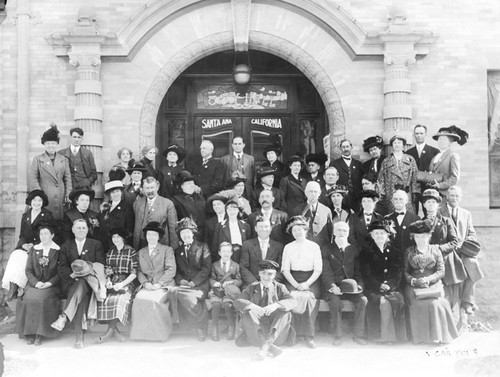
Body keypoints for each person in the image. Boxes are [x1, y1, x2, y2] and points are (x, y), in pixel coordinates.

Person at [51, 219, 105, 349]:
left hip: (91, 282)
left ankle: (65, 318)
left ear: (87, 230)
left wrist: (87, 271)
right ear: (73, 230)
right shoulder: (65, 246)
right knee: (80, 292)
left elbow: (100, 264)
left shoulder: (95, 244)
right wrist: (72, 275)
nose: (81, 230)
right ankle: (79, 335)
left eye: (83, 228)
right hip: (72, 281)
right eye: (78, 228)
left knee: (82, 284)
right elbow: (62, 267)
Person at [403, 219, 458, 344]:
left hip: (433, 283)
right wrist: (413, 280)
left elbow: (440, 271)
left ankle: (439, 336)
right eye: (417, 237)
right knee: (416, 303)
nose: (421, 239)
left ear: (429, 236)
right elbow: (404, 271)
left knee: (435, 304)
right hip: (414, 285)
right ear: (413, 237)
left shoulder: (436, 250)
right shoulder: (409, 251)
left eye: (424, 236)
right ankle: (420, 338)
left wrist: (428, 279)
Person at [234, 260, 297, 360]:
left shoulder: (280, 287)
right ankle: (269, 347)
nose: (266, 277)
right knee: (248, 311)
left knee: (285, 313)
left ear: (275, 275)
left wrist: (276, 305)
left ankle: (265, 347)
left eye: (270, 274)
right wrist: (252, 306)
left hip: (275, 333)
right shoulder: (252, 287)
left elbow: (292, 301)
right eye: (263, 273)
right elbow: (237, 301)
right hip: (256, 332)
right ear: (259, 273)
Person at [439, 186, 484, 316]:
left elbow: (471, 233)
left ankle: (467, 301)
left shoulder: (466, 214)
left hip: (462, 250)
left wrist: (466, 242)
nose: (454, 198)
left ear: (461, 198)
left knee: (474, 266)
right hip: (447, 251)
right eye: (452, 195)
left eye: (457, 196)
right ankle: (457, 304)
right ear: (447, 196)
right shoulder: (439, 211)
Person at [421, 188, 463, 325]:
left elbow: (455, 241)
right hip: (429, 264)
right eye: (428, 202)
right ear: (424, 205)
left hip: (447, 262)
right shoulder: (419, 223)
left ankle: (452, 326)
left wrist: (439, 249)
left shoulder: (446, 221)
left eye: (434, 202)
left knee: (450, 295)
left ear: (438, 205)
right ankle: (436, 327)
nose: (431, 205)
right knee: (433, 296)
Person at [321, 221, 367, 346]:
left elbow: (358, 272)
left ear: (348, 233)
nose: (342, 233)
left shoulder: (354, 250)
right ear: (334, 233)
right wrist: (332, 286)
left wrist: (359, 285)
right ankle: (337, 335)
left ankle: (358, 335)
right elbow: (326, 271)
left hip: (350, 288)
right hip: (333, 287)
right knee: (335, 302)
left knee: (362, 300)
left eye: (344, 231)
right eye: (339, 230)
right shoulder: (326, 249)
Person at [2, 190, 54, 301]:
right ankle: (13, 288)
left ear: (43, 202)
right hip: (27, 245)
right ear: (30, 201)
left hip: (41, 246)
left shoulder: (47, 215)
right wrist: (23, 245)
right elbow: (22, 235)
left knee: (25, 259)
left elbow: (48, 234)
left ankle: (19, 288)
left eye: (39, 200)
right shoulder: (25, 215)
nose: (36, 203)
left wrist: (34, 245)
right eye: (34, 200)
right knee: (16, 255)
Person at [129, 221, 176, 341]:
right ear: (146, 236)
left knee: (154, 301)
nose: (151, 237)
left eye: (154, 235)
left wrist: (159, 284)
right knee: (139, 300)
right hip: (148, 285)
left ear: (159, 237)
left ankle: (160, 334)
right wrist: (145, 283)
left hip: (163, 284)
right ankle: (141, 335)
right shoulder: (141, 252)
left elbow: (171, 269)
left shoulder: (167, 250)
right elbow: (139, 271)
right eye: (149, 234)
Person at [361, 220, 406, 343]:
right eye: (376, 233)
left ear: (387, 235)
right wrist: (379, 285)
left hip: (392, 287)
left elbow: (398, 272)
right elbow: (366, 275)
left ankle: (397, 337)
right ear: (371, 235)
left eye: (382, 233)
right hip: (373, 288)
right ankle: (378, 336)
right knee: (380, 301)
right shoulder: (366, 252)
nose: (379, 236)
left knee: (399, 301)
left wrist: (390, 285)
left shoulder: (395, 251)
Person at [16, 221, 61, 345]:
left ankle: (40, 334)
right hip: (34, 284)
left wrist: (49, 283)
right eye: (41, 234)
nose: (43, 236)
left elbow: (60, 272)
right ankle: (29, 332)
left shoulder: (58, 250)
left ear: (52, 235)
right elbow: (28, 270)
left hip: (51, 285)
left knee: (41, 299)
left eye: (46, 234)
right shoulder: (34, 249)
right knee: (28, 299)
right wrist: (35, 283)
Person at [281, 215, 322, 348]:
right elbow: (285, 269)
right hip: (292, 279)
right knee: (291, 298)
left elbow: (318, 269)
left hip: (311, 279)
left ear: (306, 231)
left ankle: (309, 336)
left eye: (300, 229)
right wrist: (296, 285)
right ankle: (294, 334)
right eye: (294, 230)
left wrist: (306, 284)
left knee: (310, 299)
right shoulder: (288, 247)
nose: (297, 232)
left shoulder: (314, 246)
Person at [95, 228, 137, 343]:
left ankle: (109, 333)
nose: (116, 239)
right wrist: (108, 281)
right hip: (113, 282)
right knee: (104, 299)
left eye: (118, 237)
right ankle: (115, 332)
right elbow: (107, 269)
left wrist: (122, 284)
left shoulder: (131, 251)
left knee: (118, 300)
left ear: (123, 238)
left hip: (126, 282)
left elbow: (134, 273)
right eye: (114, 237)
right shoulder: (110, 251)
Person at [173, 218, 212, 341]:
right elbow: (177, 271)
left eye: (188, 232)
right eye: (182, 233)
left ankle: (200, 326)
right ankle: (192, 325)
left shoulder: (203, 247)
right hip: (185, 285)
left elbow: (207, 268)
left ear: (193, 233)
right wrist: (181, 280)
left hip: (200, 284)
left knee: (191, 299)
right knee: (175, 293)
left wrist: (194, 282)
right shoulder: (177, 251)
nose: (185, 235)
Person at [29, 124, 72, 220]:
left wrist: (68, 195)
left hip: (60, 197)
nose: (51, 146)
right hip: (45, 196)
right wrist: (39, 196)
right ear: (44, 144)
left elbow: (67, 179)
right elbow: (33, 178)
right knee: (46, 221)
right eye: (48, 143)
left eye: (53, 143)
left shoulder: (63, 159)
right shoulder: (38, 159)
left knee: (59, 222)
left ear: (57, 144)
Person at [132, 176, 178, 250]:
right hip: (142, 245)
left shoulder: (167, 204)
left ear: (157, 187)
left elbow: (173, 230)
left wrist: (173, 250)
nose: (150, 191)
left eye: (152, 187)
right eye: (147, 188)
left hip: (161, 245)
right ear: (143, 189)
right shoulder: (137, 203)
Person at [208, 242, 242, 341]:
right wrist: (215, 283)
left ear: (231, 253)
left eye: (228, 251)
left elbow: (239, 280)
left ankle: (231, 326)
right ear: (219, 253)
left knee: (228, 305)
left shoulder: (235, 265)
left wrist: (232, 281)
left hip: (229, 293)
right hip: (217, 291)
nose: (226, 254)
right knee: (216, 305)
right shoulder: (215, 265)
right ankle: (214, 327)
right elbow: (211, 278)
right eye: (223, 251)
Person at [427, 126, 468, 203]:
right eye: (440, 139)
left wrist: (440, 185)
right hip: (434, 194)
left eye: (444, 139)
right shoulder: (435, 157)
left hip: (445, 194)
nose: (441, 141)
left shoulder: (452, 156)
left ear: (450, 142)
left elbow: (454, 178)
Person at [378, 135, 418, 214]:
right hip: (391, 194)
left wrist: (415, 193)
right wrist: (382, 195)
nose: (397, 145)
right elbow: (381, 179)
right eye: (395, 143)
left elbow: (415, 177)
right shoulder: (386, 161)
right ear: (392, 145)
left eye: (399, 143)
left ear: (403, 145)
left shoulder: (410, 159)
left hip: (406, 193)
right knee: (392, 216)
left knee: (407, 216)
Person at [240, 216, 284, 287]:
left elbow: (281, 269)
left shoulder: (279, 246)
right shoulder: (247, 245)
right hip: (252, 284)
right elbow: (243, 267)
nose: (263, 229)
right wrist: (254, 283)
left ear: (270, 228)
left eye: (266, 226)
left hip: (272, 284)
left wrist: (270, 283)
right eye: (260, 227)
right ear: (255, 229)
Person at [405, 124, 440, 211]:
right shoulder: (408, 152)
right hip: (414, 188)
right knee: (413, 213)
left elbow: (437, 170)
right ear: (414, 135)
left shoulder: (434, 151)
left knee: (429, 212)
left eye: (421, 133)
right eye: (417, 133)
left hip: (429, 187)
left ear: (425, 134)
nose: (419, 136)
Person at [97, 177, 135, 251]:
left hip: (119, 245)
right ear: (109, 195)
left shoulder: (127, 207)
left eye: (117, 191)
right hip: (105, 245)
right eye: (113, 192)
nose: (115, 194)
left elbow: (130, 228)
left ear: (121, 192)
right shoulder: (105, 207)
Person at [292, 181, 333, 247]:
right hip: (305, 248)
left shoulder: (326, 210)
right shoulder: (297, 210)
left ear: (319, 193)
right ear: (305, 193)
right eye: (310, 191)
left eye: (315, 191)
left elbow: (330, 232)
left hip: (322, 248)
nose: (313, 194)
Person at [172, 171, 207, 241]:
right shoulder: (176, 200)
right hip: (188, 235)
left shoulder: (200, 197)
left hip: (204, 234)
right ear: (182, 186)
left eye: (193, 183)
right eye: (189, 184)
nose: (192, 185)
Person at [331, 139, 364, 211]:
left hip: (357, 199)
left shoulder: (358, 164)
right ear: (340, 149)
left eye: (347, 146)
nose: (345, 149)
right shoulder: (334, 164)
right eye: (343, 147)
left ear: (351, 147)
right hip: (342, 199)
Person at [384, 189, 420, 254]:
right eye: (395, 199)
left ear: (406, 201)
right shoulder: (386, 219)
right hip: (392, 256)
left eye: (401, 199)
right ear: (392, 201)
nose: (398, 201)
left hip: (409, 257)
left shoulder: (416, 219)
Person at [205, 194, 228, 262]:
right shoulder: (209, 222)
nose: (216, 206)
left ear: (224, 205)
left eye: (219, 204)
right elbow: (206, 240)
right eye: (214, 205)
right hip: (215, 255)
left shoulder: (231, 218)